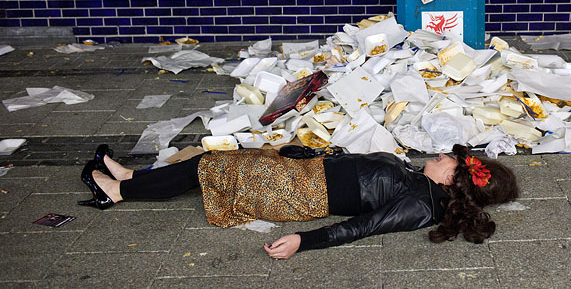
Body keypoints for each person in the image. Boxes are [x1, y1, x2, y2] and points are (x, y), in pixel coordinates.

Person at [78, 143, 519, 259]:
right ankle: (135, 177)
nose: (442, 155)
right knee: (225, 158)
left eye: (450, 160)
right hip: (304, 173)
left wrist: (302, 242)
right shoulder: (418, 179)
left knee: (213, 167)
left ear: (452, 180)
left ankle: (120, 191)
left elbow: (363, 227)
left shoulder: (421, 205)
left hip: (297, 193)